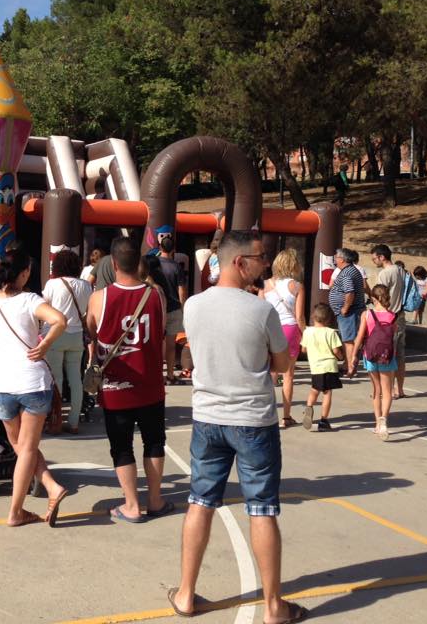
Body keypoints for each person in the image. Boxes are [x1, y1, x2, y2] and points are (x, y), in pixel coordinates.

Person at [171, 231, 306, 622]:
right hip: (252, 420)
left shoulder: (194, 305)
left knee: (200, 502)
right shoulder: (260, 311)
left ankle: (185, 594)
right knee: (261, 508)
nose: (265, 264)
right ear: (239, 261)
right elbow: (282, 364)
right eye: (260, 257)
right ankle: (273, 606)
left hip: (208, 417)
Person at [0, 248, 70, 527]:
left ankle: (37, 497)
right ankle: (25, 504)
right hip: (32, 381)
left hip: (2, 383)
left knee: (20, 446)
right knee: (26, 448)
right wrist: (45, 344)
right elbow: (60, 320)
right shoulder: (30, 300)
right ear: (25, 273)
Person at [86, 237, 170, 522]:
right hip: (150, 383)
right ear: (139, 262)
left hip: (115, 387)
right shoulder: (156, 295)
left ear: (113, 263)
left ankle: (132, 505)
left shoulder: (99, 298)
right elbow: (160, 331)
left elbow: (92, 330)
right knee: (154, 441)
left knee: (121, 446)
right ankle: (155, 499)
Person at [41, 250, 92, 434]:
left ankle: (55, 420)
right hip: (76, 335)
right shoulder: (86, 286)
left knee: (56, 379)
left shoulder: (52, 284)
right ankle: (74, 422)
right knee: (76, 379)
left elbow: (44, 307)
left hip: (55, 334)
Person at [260, 248, 307, 428]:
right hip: (290, 329)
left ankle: (266, 414)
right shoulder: (297, 286)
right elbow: (299, 316)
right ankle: (286, 417)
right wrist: (305, 335)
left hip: (270, 329)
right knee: (288, 375)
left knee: (267, 373)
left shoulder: (265, 285)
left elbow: (260, 312)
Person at [348, 285, 396, 441]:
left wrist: (353, 355)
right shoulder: (392, 315)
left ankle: (377, 423)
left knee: (376, 389)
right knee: (387, 391)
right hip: (387, 356)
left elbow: (360, 336)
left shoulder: (367, 314)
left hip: (370, 355)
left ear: (373, 299)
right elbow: (392, 337)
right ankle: (384, 420)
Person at [299, 303, 344, 432]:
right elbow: (336, 350)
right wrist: (341, 357)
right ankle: (324, 420)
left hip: (316, 367)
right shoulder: (331, 332)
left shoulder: (307, 331)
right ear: (328, 319)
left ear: (313, 317)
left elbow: (303, 349)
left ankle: (309, 407)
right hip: (329, 366)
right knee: (327, 392)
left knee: (314, 389)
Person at [371, 244, 408, 398]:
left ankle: (389, 389)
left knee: (387, 354)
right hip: (400, 315)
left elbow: (380, 296)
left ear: (382, 257)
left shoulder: (385, 274)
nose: (374, 261)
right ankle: (400, 389)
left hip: (387, 318)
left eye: (374, 258)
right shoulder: (400, 270)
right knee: (400, 354)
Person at [327, 248, 364, 375]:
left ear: (342, 259)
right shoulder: (349, 270)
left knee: (348, 340)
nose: (335, 260)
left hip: (349, 312)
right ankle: (347, 365)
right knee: (347, 339)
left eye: (336, 257)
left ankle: (349, 367)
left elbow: (350, 292)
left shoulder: (347, 273)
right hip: (350, 312)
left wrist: (345, 308)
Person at [157, 236, 187, 385]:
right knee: (170, 345)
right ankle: (170, 375)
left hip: (157, 308)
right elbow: (182, 291)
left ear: (160, 248)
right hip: (174, 309)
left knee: (156, 344)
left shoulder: (154, 265)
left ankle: (157, 375)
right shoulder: (176, 267)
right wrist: (183, 308)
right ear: (173, 249)